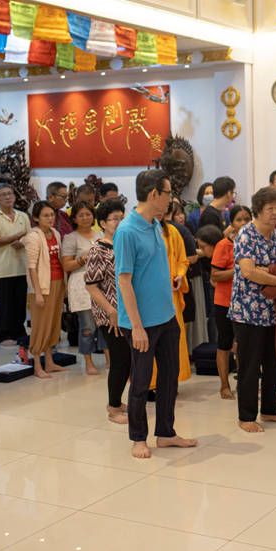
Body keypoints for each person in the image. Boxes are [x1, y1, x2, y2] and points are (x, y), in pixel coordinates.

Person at [116, 170, 197, 459]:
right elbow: (124, 281)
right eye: (168, 193)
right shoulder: (127, 231)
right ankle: (138, 438)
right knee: (140, 381)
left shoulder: (155, 225)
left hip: (167, 316)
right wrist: (136, 327)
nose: (171, 199)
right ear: (153, 194)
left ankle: (165, 433)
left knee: (169, 378)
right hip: (142, 323)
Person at [229, 187, 276, 433]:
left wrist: (267, 271)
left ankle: (269, 410)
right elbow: (248, 271)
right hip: (247, 311)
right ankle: (246, 416)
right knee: (249, 365)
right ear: (258, 209)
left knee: (273, 362)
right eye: (271, 208)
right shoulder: (246, 234)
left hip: (273, 310)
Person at [84, 198, 130, 425]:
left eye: (121, 218)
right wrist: (111, 311)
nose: (118, 222)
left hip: (127, 311)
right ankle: (113, 408)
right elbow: (91, 286)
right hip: (110, 314)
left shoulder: (123, 244)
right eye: (114, 219)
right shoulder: (98, 250)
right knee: (120, 360)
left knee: (127, 359)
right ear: (102, 223)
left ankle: (117, 401)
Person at [208, 205, 250, 399]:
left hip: (248, 302)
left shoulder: (253, 243)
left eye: (246, 219)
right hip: (225, 302)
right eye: (239, 219)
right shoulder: (223, 245)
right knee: (225, 344)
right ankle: (224, 386)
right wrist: (238, 270)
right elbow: (215, 275)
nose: (243, 223)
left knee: (244, 345)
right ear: (231, 223)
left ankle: (244, 383)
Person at [23, 201, 66, 380]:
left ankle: (49, 361)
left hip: (58, 282)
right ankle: (37, 364)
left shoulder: (55, 233)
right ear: (36, 218)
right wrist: (38, 292)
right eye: (45, 215)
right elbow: (32, 267)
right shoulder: (33, 237)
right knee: (40, 325)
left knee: (53, 323)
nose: (50, 218)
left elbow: (59, 260)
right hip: (42, 285)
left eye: (52, 215)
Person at [62, 200, 105, 375]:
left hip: (101, 283)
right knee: (88, 325)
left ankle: (109, 358)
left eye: (88, 214)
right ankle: (88, 361)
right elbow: (66, 265)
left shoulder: (100, 234)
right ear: (74, 219)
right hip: (81, 284)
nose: (85, 218)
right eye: (81, 215)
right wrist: (83, 259)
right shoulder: (71, 238)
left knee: (105, 323)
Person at [0, 183, 31, 346]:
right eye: (3, 195)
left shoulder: (22, 216)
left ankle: (19, 332)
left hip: (21, 265)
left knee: (20, 302)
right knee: (4, 303)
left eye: (10, 193)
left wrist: (22, 242)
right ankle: (4, 335)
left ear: (15, 196)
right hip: (3, 267)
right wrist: (15, 237)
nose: (7, 197)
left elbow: (30, 236)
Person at [160, 202, 194, 385]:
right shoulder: (137, 232)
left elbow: (183, 260)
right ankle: (150, 383)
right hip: (148, 296)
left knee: (173, 338)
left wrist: (180, 274)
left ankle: (171, 381)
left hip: (171, 293)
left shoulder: (172, 232)